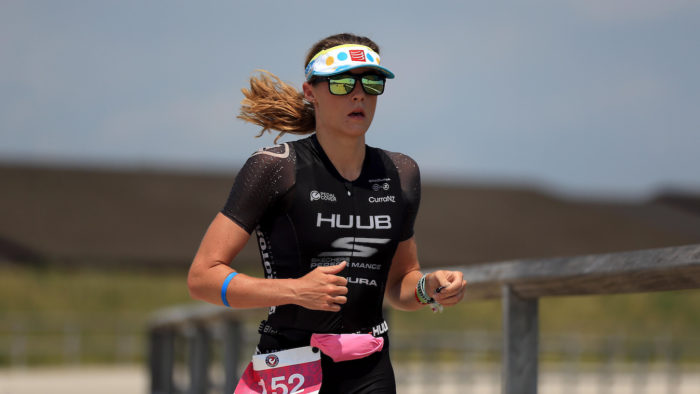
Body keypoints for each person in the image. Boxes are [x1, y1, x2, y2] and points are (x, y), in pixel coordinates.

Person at [187, 33, 467, 394]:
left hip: (370, 369)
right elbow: (202, 278)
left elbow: (399, 284)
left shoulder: (401, 172)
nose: (358, 94)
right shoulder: (274, 168)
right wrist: (295, 290)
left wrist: (430, 288)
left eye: (371, 82)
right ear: (310, 91)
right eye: (341, 83)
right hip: (290, 361)